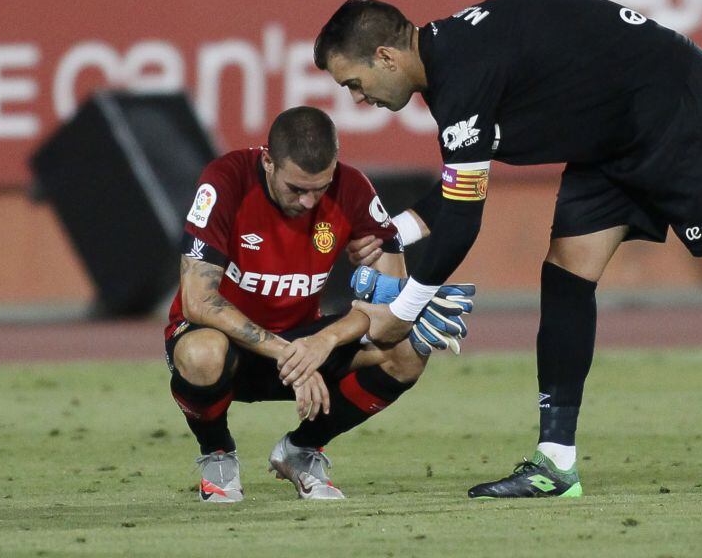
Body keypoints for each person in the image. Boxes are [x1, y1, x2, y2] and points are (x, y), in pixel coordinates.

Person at [313, 0, 702, 498]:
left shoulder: (462, 70)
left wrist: (402, 311)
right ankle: (555, 463)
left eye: (354, 83)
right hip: (610, 139)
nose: (358, 98)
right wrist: (393, 233)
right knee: (566, 271)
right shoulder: (449, 67)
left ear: (386, 57)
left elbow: (463, 222)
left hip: (678, 105)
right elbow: (459, 191)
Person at [165, 105, 472, 503]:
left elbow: (391, 309)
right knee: (203, 352)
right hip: (229, 346)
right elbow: (198, 300)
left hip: (301, 342)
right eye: (297, 189)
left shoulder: (352, 189)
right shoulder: (226, 181)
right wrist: (291, 351)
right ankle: (217, 453)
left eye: (320, 188)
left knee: (407, 351)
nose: (310, 202)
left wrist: (324, 340)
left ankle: (301, 450)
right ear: (268, 161)